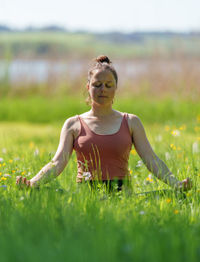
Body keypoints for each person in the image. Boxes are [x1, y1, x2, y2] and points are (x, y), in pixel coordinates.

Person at [16, 55, 192, 192]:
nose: (103, 90)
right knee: (44, 194)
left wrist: (175, 183)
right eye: (97, 84)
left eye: (108, 85)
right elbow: (57, 162)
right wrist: (33, 183)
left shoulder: (131, 122)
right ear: (88, 87)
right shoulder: (72, 124)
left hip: (122, 193)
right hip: (86, 195)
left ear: (116, 88)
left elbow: (151, 159)